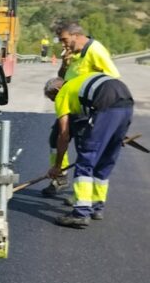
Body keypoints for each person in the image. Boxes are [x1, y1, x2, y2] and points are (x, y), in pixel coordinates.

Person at [44, 73, 134, 227]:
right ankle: (97, 207)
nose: (54, 103)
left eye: (52, 99)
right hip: (126, 101)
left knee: (86, 159)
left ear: (56, 91)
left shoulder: (62, 94)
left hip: (106, 103)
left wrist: (58, 166)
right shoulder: (78, 83)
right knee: (106, 160)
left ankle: (80, 213)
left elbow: (64, 134)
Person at [53, 19, 119, 80]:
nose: (63, 45)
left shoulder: (95, 49)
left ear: (76, 35)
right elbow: (61, 78)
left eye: (65, 40)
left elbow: (112, 80)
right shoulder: (73, 53)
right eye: (61, 41)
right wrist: (64, 64)